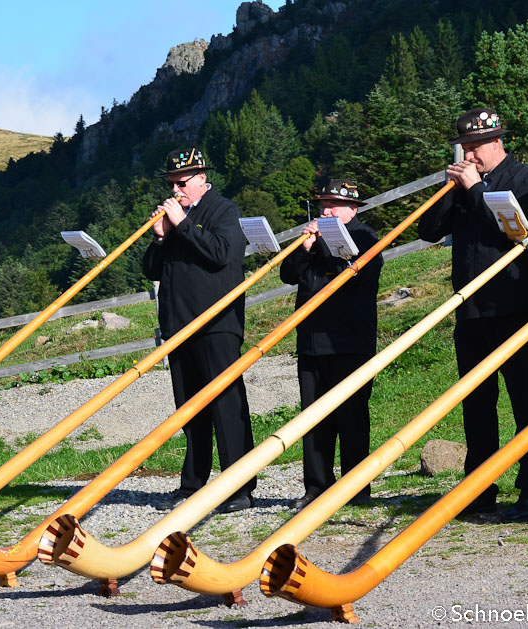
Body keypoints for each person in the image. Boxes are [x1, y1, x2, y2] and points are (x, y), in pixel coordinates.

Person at [418, 108, 528, 522]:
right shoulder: (462, 184)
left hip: (514, 306)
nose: (468, 155)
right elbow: (428, 231)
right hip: (471, 309)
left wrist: (475, 190)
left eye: (474, 147)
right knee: (477, 403)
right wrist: (450, 191)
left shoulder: (527, 180)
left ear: (496, 142)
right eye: (464, 148)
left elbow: (516, 232)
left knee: (524, 400)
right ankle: (479, 488)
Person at [142, 147, 256, 514]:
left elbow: (223, 254)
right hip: (178, 325)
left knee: (226, 404)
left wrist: (184, 226)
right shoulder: (175, 220)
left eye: (182, 183)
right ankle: (193, 482)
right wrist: (160, 236)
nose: (176, 190)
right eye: (172, 183)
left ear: (202, 179)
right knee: (188, 409)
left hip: (216, 323)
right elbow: (151, 269)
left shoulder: (223, 209)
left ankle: (239, 487)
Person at [280, 179, 382, 511]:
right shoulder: (313, 240)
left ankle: (357, 486)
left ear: (352, 210)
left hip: (349, 342)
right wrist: (305, 247)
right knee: (313, 420)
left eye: (333, 205)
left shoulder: (366, 238)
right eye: (323, 204)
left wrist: (323, 245)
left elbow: (350, 274)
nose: (326, 210)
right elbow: (287, 273)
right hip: (311, 341)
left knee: (352, 417)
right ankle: (316, 486)